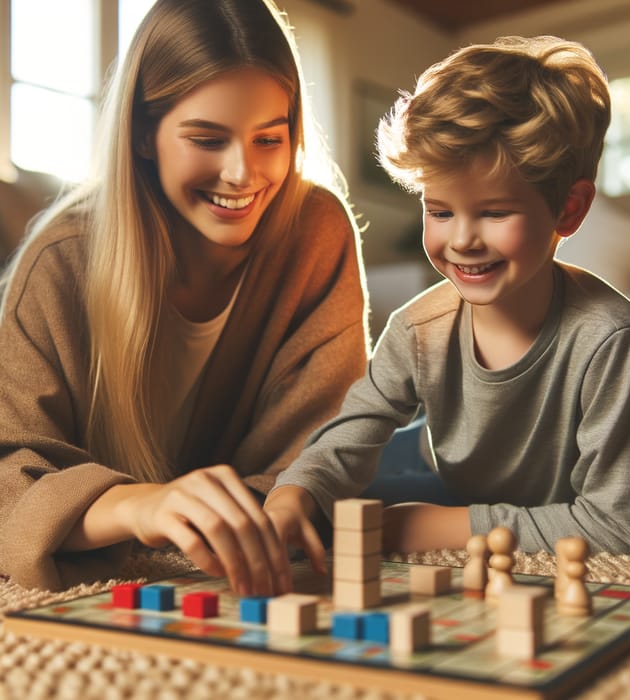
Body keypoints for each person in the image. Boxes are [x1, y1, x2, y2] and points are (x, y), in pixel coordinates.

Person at [0, 0, 369, 593]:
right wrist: (140, 506)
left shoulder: (316, 231)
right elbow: (9, 478)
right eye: (207, 138)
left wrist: (285, 503)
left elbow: (324, 446)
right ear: (144, 136)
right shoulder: (61, 260)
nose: (242, 173)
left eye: (269, 139)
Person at [268, 36, 630, 565]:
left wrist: (439, 526)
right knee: (339, 498)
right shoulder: (417, 328)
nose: (461, 241)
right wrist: (293, 492)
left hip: (464, 495)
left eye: (495, 213)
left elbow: (624, 527)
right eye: (439, 212)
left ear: (568, 210)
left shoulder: (609, 336)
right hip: (432, 469)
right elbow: (349, 437)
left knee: (394, 508)